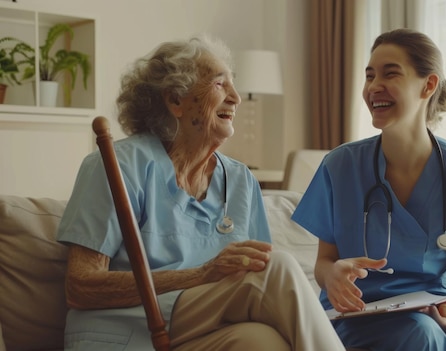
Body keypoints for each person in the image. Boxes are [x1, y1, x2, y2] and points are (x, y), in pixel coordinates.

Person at [56, 34, 346, 351]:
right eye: (220, 84)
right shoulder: (118, 164)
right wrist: (202, 275)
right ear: (176, 101)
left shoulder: (240, 179)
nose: (236, 97)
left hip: (197, 332)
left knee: (264, 342)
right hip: (127, 331)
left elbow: (256, 271)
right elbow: (81, 287)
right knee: (279, 268)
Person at [291, 28, 446, 351]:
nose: (373, 87)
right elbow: (325, 261)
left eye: (390, 74)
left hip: (439, 298)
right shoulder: (340, 167)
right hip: (362, 311)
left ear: (429, 85)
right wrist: (332, 275)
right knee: (421, 334)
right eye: (369, 76)